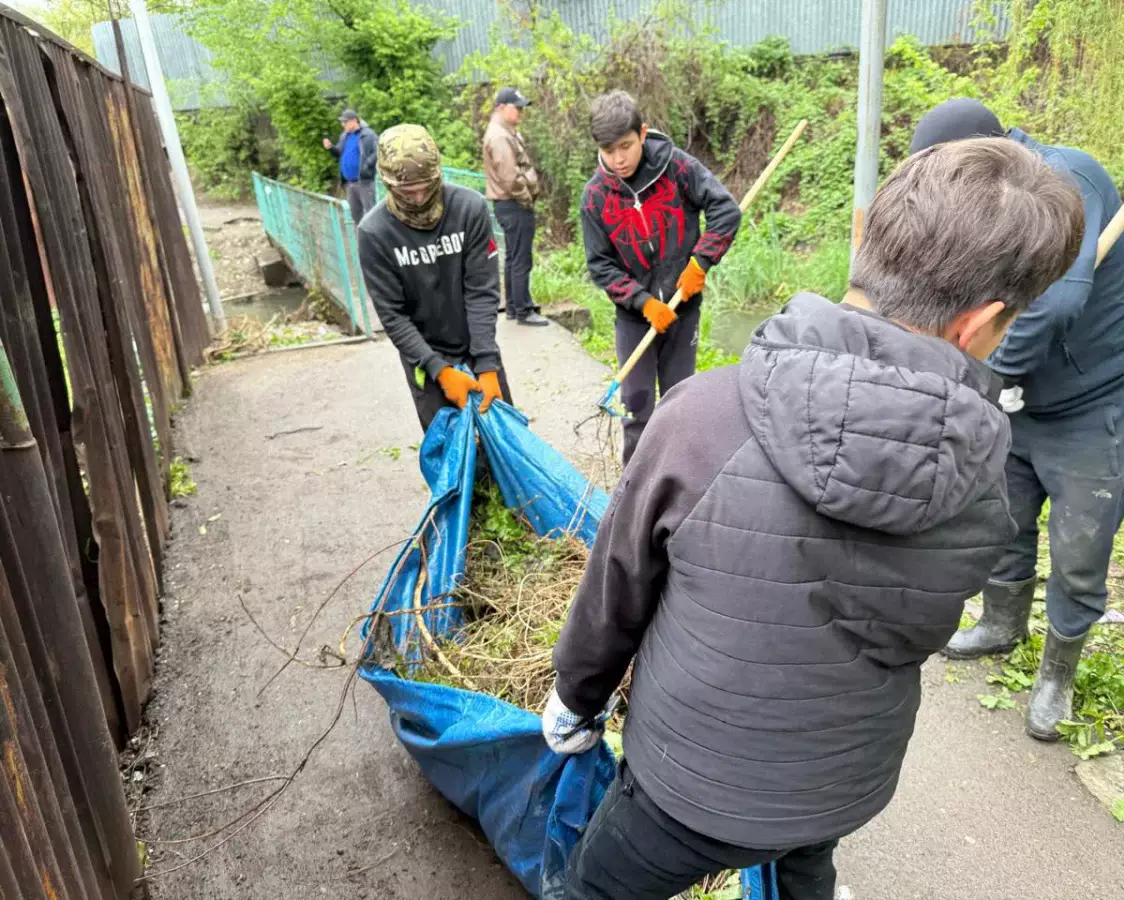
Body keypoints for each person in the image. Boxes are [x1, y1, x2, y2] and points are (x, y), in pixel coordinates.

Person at [543, 138, 1086, 900]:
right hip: (843, 784)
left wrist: (576, 697)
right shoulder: (986, 477)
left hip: (684, 788)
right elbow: (917, 631)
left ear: (864, 236)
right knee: (804, 858)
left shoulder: (698, 417)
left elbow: (618, 588)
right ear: (983, 322)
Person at [910, 99, 1124, 741]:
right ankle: (1001, 623)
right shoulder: (972, 205)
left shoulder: (1063, 181)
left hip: (1097, 394)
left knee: (1081, 540)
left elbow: (1054, 306)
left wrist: (990, 381)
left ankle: (1058, 673)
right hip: (1021, 392)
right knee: (1006, 510)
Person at [580, 90, 742, 465]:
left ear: (643, 133)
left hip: (682, 309)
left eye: (625, 146)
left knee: (679, 403)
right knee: (638, 409)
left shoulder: (678, 168)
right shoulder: (594, 198)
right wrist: (643, 301)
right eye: (608, 150)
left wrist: (701, 262)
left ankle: (679, 482)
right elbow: (601, 265)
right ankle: (635, 491)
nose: (618, 159)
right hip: (635, 319)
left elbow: (725, 210)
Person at [358, 124, 512, 432]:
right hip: (425, 360)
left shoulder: (469, 209)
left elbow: (481, 291)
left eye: (425, 187)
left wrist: (486, 363)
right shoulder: (374, 233)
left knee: (506, 445)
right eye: (406, 191)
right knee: (452, 460)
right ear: (388, 184)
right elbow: (393, 316)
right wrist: (439, 371)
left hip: (476, 347)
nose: (417, 197)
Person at [484, 87, 549, 326]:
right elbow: (510, 178)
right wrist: (526, 197)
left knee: (513, 257)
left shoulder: (504, 131)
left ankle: (513, 306)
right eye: (517, 107)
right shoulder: (500, 136)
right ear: (502, 108)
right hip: (513, 203)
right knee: (521, 259)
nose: (521, 112)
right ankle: (523, 310)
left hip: (507, 203)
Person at [324, 110, 378, 225]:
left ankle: (376, 242)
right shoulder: (344, 136)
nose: (342, 125)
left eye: (345, 122)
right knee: (355, 216)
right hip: (349, 183)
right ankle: (361, 242)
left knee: (371, 214)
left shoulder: (368, 134)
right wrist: (331, 148)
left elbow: (378, 151)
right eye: (342, 122)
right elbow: (339, 152)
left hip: (364, 182)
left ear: (354, 121)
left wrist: (366, 165)